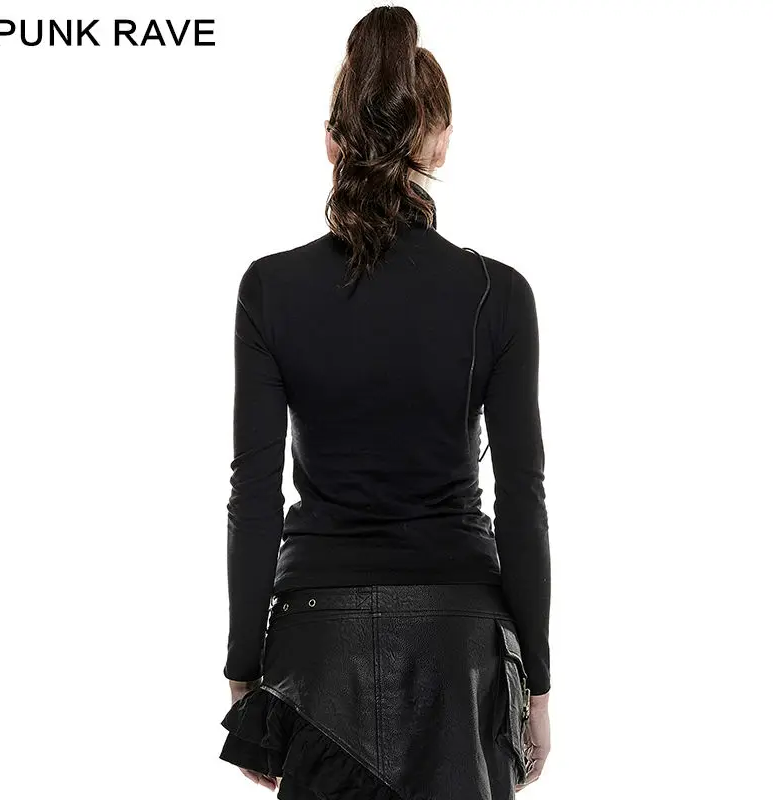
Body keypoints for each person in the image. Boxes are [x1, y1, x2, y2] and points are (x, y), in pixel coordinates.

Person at [218, 6, 551, 799]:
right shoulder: (498, 295)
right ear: (438, 142)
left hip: (316, 645)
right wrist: (536, 683)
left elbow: (254, 495)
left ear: (332, 142)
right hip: (461, 648)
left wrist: (243, 671)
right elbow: (522, 501)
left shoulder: (270, 289)